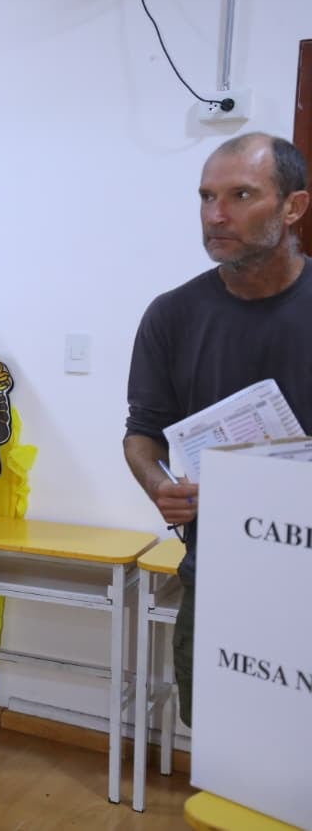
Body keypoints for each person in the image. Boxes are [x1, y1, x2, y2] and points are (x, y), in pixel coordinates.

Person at [124, 132, 311, 727]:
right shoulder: (171, 315)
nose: (215, 214)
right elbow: (141, 433)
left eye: (240, 194)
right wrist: (160, 486)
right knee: (225, 740)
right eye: (206, 196)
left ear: (292, 208)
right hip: (219, 574)